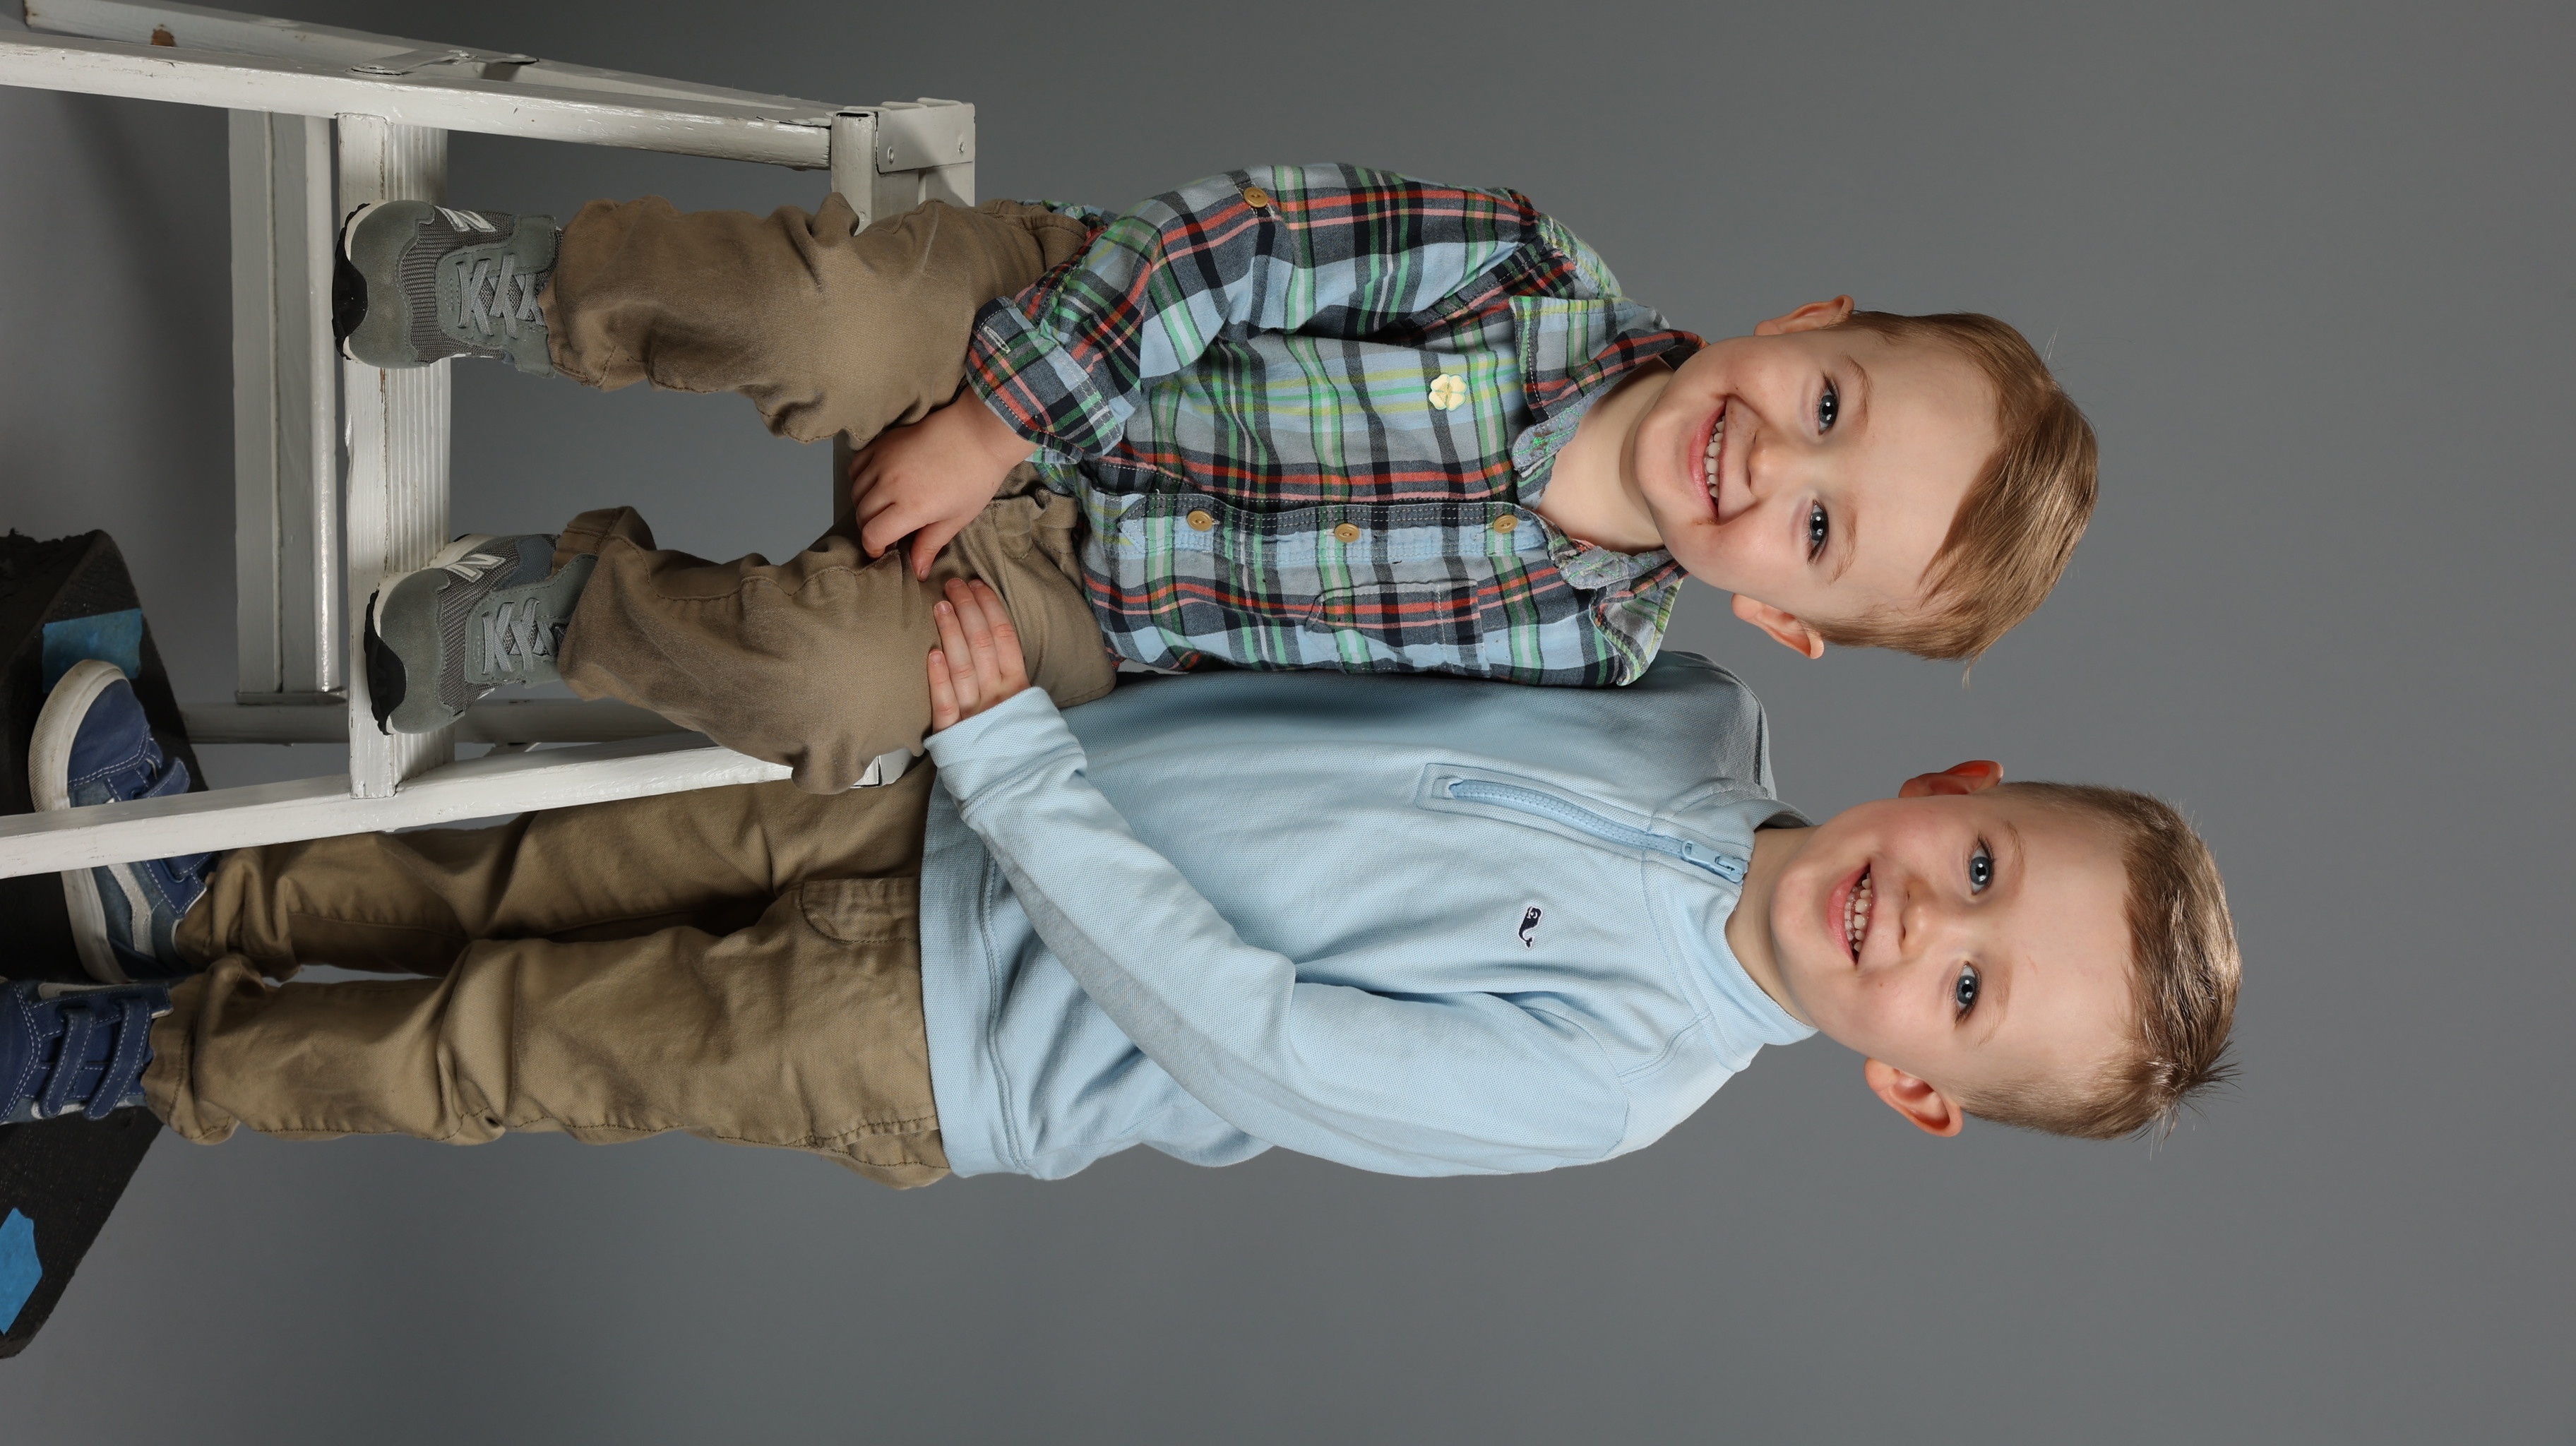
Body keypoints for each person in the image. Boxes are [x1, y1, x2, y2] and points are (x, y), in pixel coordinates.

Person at [5, 586, 2236, 1176]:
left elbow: (1255, 1036)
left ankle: (146, 1055)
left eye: (1967, 995)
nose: (1925, 924)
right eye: (1981, 866)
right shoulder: (1684, 708)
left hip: (938, 1036)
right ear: (1957, 776)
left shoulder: (1622, 1074)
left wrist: (1013, 763)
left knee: (521, 1039)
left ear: (1916, 1087)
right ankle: (204, 905)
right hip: (949, 793)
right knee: (528, 845)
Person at [332, 166, 2099, 792]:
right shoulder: (1526, 276)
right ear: (1809, 323)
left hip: (1084, 608)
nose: (1774, 458)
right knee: (827, 324)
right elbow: (1241, 240)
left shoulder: (1581, 666)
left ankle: (559, 611)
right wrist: (1001, 417)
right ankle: (539, 288)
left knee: (836, 694)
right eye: (1829, 402)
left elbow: (1305, 734)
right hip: (1059, 340)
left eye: (1817, 525)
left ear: (1783, 619)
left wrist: (1037, 712)